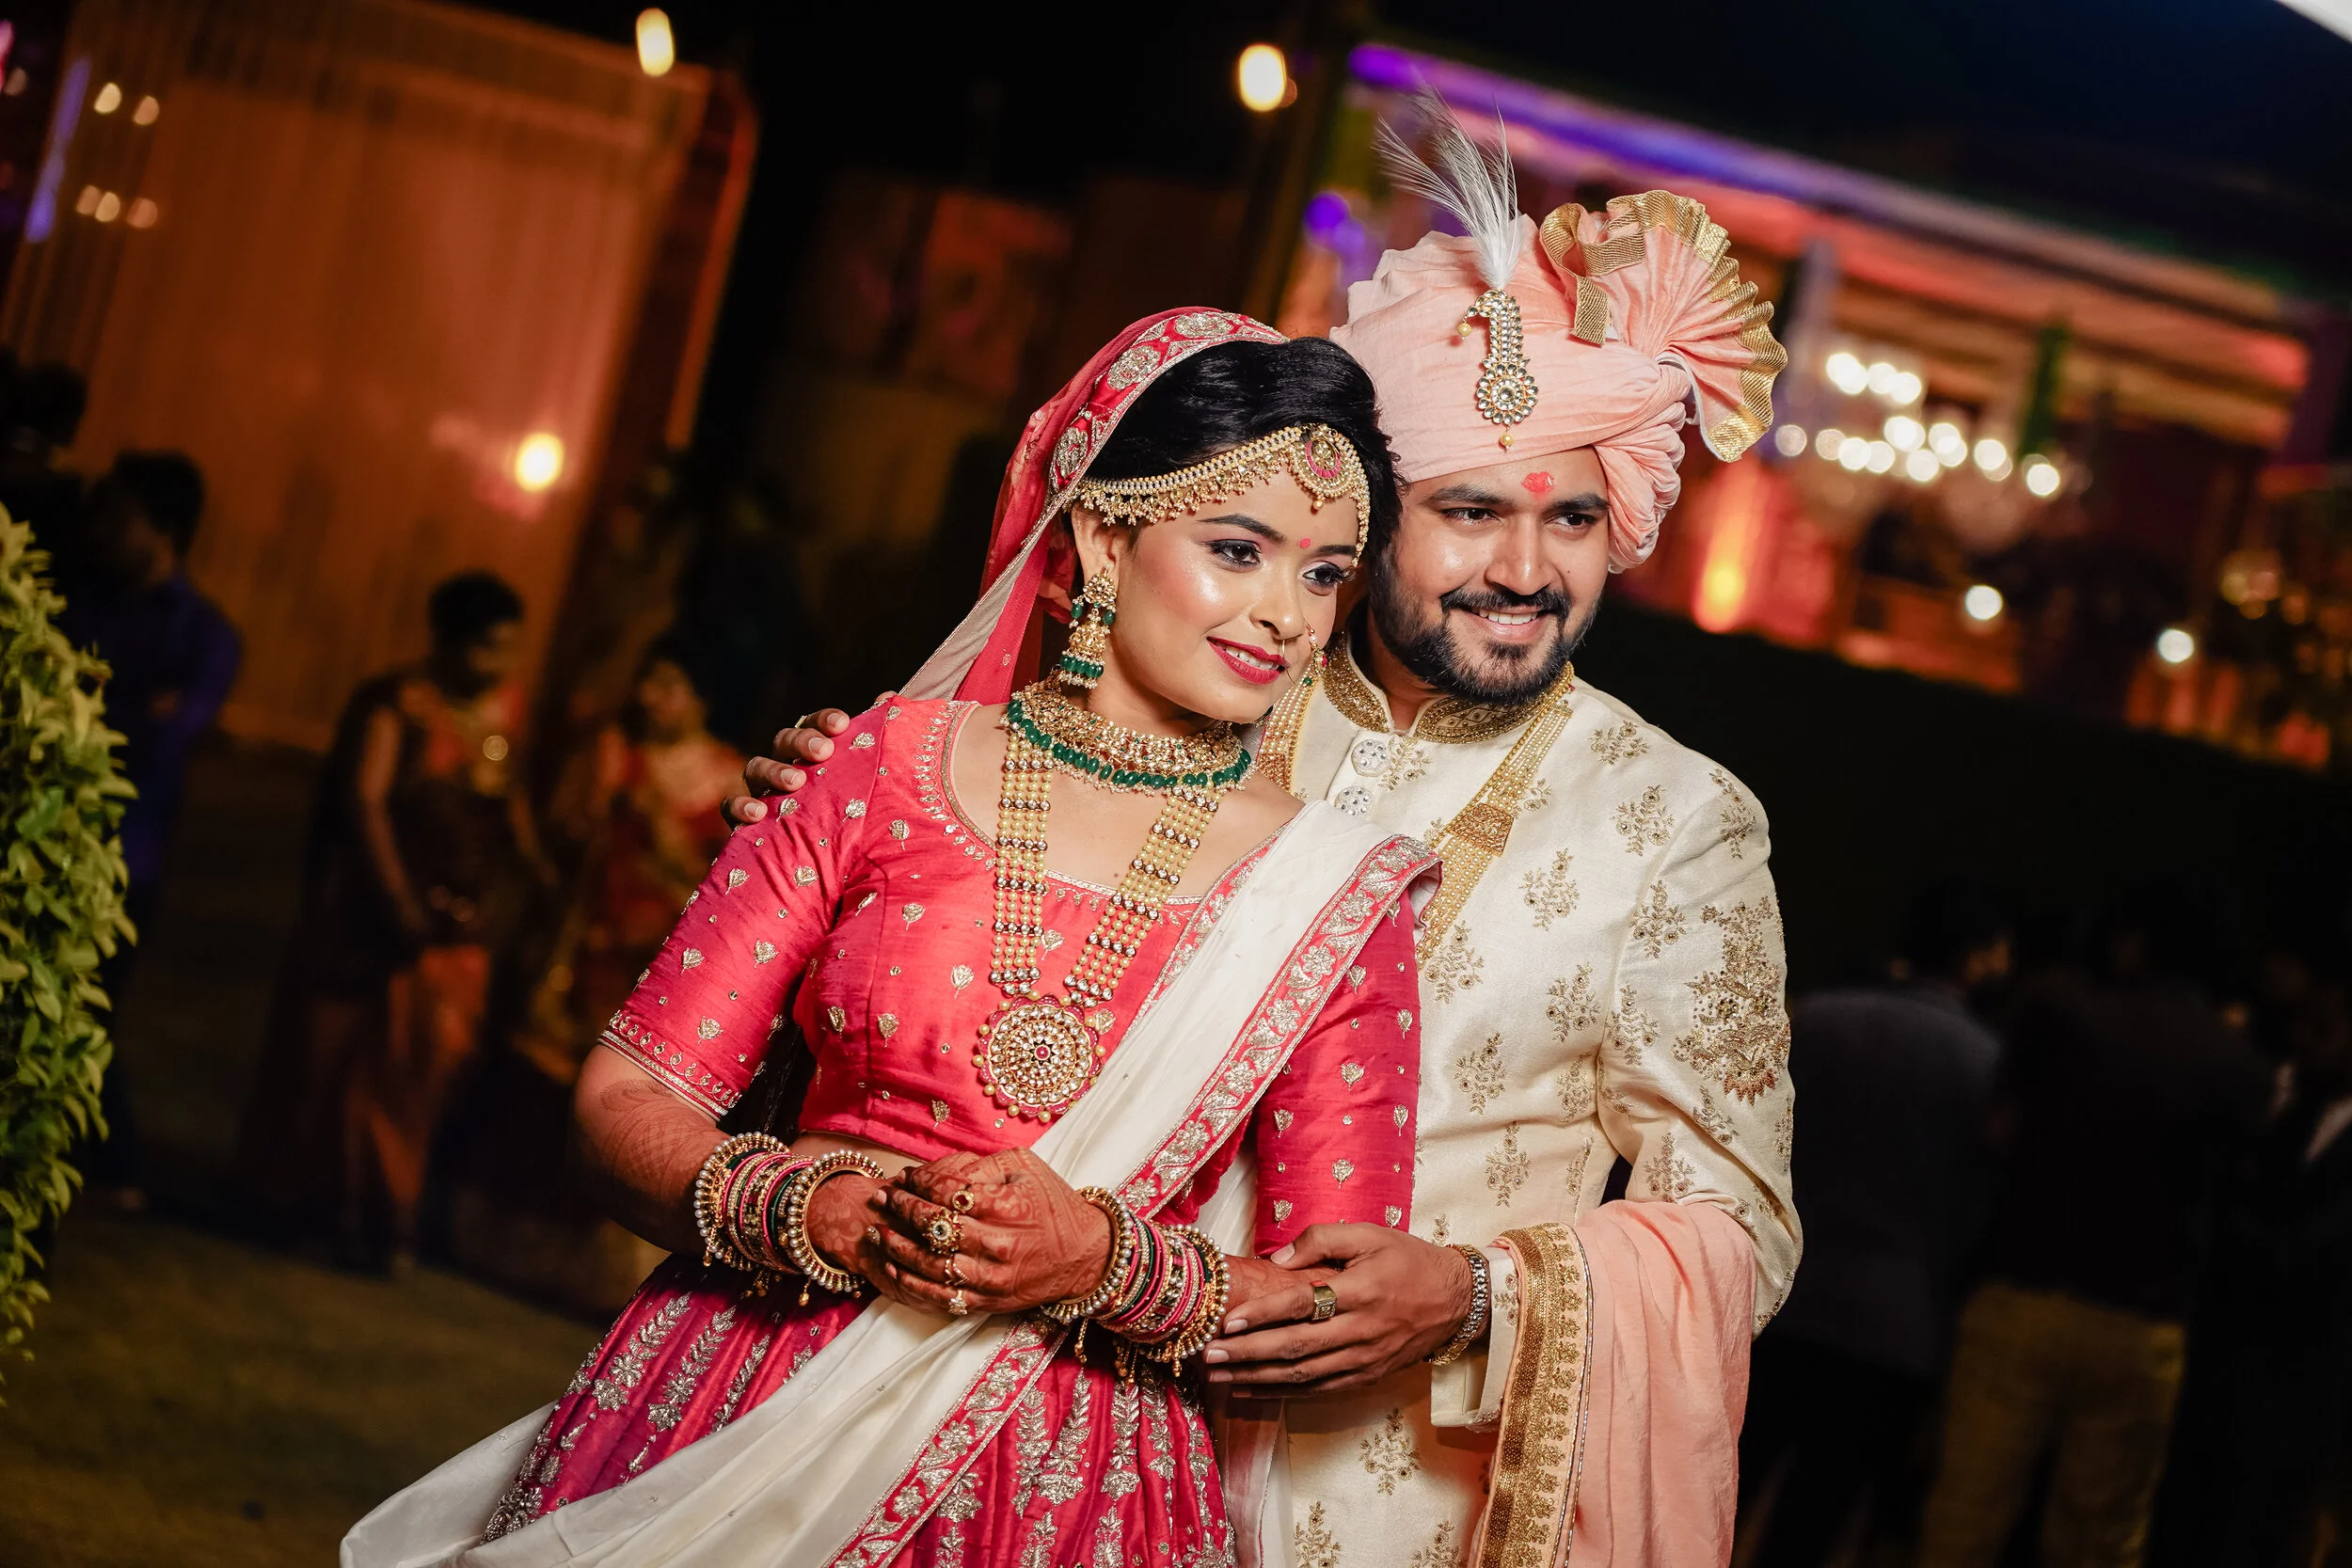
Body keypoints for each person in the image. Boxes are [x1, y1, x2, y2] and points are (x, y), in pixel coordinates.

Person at [739, 99, 1798, 1568]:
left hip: (1377, 1499)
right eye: (1469, 510)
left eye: (1570, 517)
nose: (1525, 568)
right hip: (1035, 1415)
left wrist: (1475, 1292)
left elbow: (1735, 1225)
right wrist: (837, 826)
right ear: (1366, 519)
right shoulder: (1211, 689)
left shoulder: (1674, 820)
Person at [344, 310, 1439, 1568]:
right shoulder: (871, 767)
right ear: (1102, 534)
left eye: (1325, 574)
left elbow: (1330, 1298)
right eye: (1237, 549)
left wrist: (1103, 1261)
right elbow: (625, 1098)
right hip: (755, 1389)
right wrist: (812, 1207)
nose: (1286, 613)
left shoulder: (1334, 892)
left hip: (1072, 1475)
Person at [1915, 889, 2271, 1568]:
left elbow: (1999, 1132)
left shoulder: (2064, 1014)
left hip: (2026, 1291)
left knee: (1966, 1515)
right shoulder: (2241, 1067)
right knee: (2100, 1540)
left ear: (2132, 941)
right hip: (2145, 1328)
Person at [241, 571, 543, 1270]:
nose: (498, 665)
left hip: (452, 926)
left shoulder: (504, 710)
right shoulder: (395, 705)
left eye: (508, 650)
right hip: (370, 921)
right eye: (486, 649)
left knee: (414, 1073)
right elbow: (365, 802)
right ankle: (305, 1206)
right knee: (328, 1063)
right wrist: (396, 900)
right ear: (446, 641)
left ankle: (380, 1217)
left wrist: (531, 867)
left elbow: (508, 801)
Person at [1738, 883, 2010, 1568]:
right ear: (1978, 956)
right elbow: (1976, 1208)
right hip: (1894, 1326)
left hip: (1783, 1294)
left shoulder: (1818, 1018)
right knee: (1811, 1524)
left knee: (1716, 1494)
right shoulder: (1985, 1062)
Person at [56, 451, 242, 1207]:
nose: (101, 528)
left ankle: (115, 1164)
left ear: (163, 529)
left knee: (88, 1007)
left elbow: (167, 738)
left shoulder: (204, 633)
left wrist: (88, 708)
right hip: (52, 837)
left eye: (120, 514)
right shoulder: (75, 597)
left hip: (127, 854)